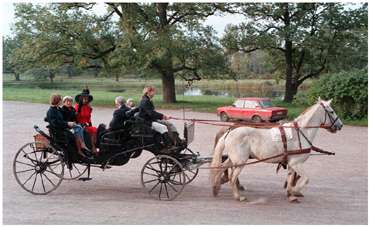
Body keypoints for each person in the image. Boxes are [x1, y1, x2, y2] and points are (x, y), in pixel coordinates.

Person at [46, 94, 91, 160]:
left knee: (79, 127)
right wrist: (67, 123)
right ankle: (80, 147)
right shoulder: (52, 111)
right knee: (77, 129)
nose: (61, 102)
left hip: (63, 127)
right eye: (61, 100)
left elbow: (65, 116)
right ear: (57, 101)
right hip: (58, 131)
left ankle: (82, 146)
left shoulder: (57, 109)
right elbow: (56, 123)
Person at [74, 88, 98, 155]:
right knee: (90, 130)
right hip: (79, 125)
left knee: (95, 130)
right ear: (81, 99)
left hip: (86, 125)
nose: (85, 100)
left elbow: (89, 118)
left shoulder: (88, 107)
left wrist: (89, 124)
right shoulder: (77, 106)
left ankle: (94, 147)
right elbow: (74, 118)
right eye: (84, 98)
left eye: (86, 99)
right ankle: (91, 148)